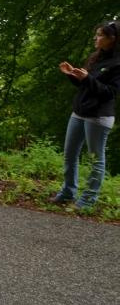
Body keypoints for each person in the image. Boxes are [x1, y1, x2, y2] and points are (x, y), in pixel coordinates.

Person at [51, 18, 120, 210]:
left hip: (99, 117)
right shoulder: (96, 57)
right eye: (96, 34)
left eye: (100, 35)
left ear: (112, 39)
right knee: (69, 155)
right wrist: (72, 75)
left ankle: (88, 200)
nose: (95, 38)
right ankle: (67, 193)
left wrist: (87, 78)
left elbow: (109, 93)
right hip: (79, 113)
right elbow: (86, 85)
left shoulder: (117, 63)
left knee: (95, 160)